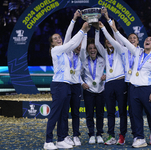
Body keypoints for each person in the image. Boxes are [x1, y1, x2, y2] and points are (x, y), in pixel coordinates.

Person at [110, 20, 151, 148]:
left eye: (150, 40)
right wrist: (115, 29)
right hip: (133, 88)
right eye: (146, 39)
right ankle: (140, 138)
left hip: (146, 89)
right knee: (135, 114)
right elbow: (125, 41)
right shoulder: (137, 52)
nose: (147, 40)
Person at [105, 15, 151, 145]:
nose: (132, 40)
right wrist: (107, 21)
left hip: (143, 84)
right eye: (130, 38)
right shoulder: (122, 49)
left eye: (134, 38)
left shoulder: (141, 52)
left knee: (149, 110)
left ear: (138, 41)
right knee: (133, 112)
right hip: (128, 85)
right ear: (127, 41)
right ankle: (137, 135)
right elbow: (117, 37)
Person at [43, 17, 90, 150]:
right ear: (52, 44)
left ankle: (61, 139)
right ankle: (48, 141)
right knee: (55, 113)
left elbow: (71, 43)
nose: (59, 39)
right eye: (55, 38)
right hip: (59, 85)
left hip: (66, 85)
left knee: (63, 114)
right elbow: (71, 42)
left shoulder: (64, 53)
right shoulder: (56, 50)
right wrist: (82, 30)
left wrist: (83, 31)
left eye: (59, 37)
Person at [95, 21, 127, 145]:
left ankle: (122, 135)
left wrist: (108, 29)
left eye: (111, 39)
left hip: (120, 82)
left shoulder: (119, 50)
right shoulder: (104, 53)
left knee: (123, 111)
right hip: (109, 84)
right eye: (107, 40)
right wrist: (97, 30)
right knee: (110, 112)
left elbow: (114, 39)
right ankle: (111, 135)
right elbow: (97, 43)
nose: (109, 41)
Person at [61, 10, 85, 147]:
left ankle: (76, 135)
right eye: (76, 44)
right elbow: (68, 36)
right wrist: (74, 20)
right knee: (64, 113)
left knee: (75, 112)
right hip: (66, 85)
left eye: (80, 44)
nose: (78, 46)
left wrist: (86, 29)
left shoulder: (81, 57)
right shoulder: (67, 53)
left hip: (76, 86)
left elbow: (84, 39)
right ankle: (65, 136)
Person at [80, 33, 106, 144]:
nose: (92, 50)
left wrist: (107, 76)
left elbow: (111, 71)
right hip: (89, 91)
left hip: (100, 91)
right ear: (87, 50)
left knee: (100, 114)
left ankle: (99, 134)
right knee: (89, 114)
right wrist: (82, 83)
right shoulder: (84, 61)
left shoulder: (103, 60)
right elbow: (78, 74)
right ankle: (91, 134)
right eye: (90, 48)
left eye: (94, 48)